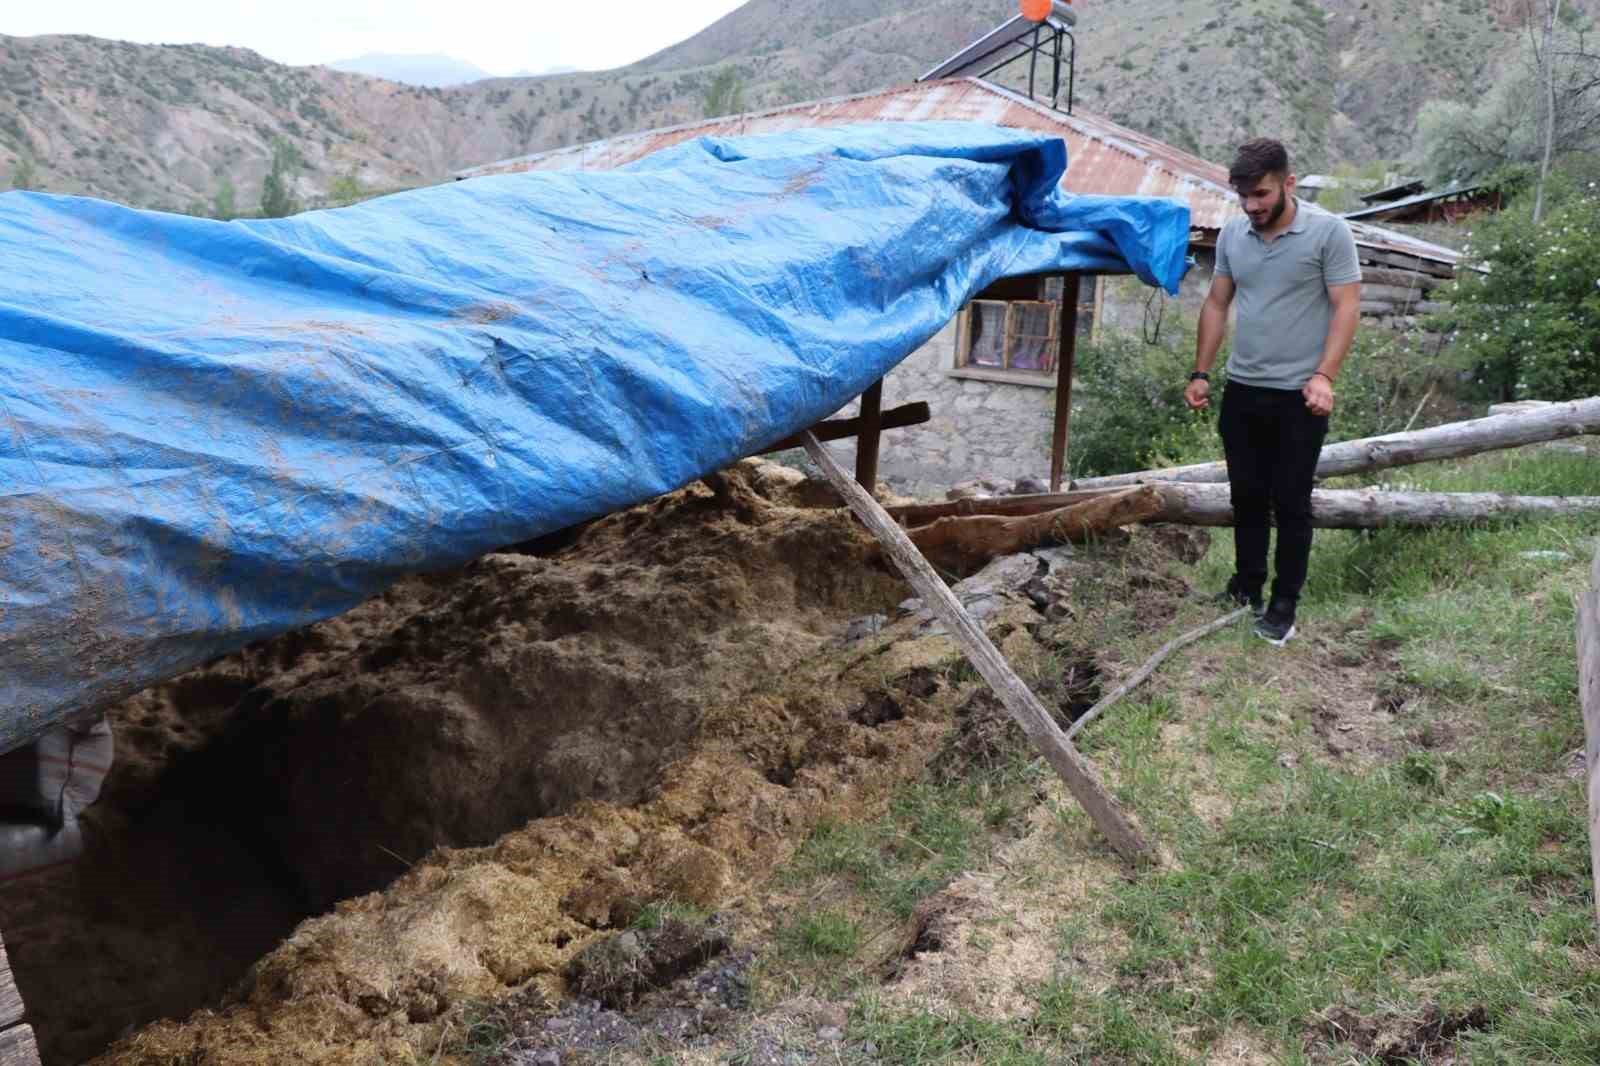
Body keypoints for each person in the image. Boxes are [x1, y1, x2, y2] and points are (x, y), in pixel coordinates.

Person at [1185, 139, 1362, 646]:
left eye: (1261, 194)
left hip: (1299, 398)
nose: (1252, 206)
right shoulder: (1234, 236)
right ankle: (1246, 588)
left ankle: (1284, 604)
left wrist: (1325, 376)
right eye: (1243, 197)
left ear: (1288, 182)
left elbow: (1346, 308)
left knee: (1291, 502)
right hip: (1243, 390)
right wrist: (1201, 373)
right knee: (1246, 499)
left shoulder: (1329, 233)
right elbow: (1217, 304)